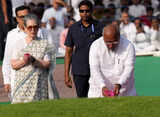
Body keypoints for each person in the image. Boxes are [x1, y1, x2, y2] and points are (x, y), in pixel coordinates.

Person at [10, 14, 57, 103]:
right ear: (24, 28)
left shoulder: (44, 44)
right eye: (29, 27)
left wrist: (33, 60)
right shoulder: (18, 44)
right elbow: (13, 65)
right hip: (22, 85)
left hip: (39, 85)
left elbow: (47, 64)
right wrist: (23, 60)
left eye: (35, 27)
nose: (32, 30)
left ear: (38, 27)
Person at [64, 0, 104, 97]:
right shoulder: (73, 28)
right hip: (79, 70)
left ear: (92, 11)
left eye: (87, 11)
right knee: (82, 99)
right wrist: (66, 75)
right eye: (82, 11)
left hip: (97, 69)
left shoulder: (100, 26)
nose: (84, 13)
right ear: (79, 12)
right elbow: (68, 53)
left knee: (98, 98)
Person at [88, 24, 137, 98]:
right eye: (107, 42)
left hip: (125, 90)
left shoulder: (129, 46)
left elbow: (129, 68)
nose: (110, 45)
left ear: (119, 37)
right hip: (98, 90)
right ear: (103, 37)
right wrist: (102, 86)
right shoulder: (95, 46)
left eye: (114, 42)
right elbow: (94, 69)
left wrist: (120, 83)